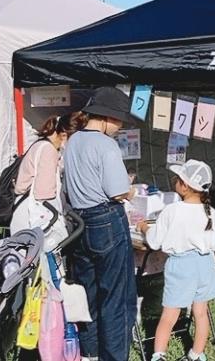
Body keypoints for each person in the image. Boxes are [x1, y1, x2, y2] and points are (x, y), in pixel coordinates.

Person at [63, 87, 137, 361]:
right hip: (107, 219)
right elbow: (117, 191)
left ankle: (89, 353)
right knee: (116, 297)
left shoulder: (72, 141)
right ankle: (114, 356)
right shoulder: (106, 145)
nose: (119, 127)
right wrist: (130, 189)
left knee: (89, 294)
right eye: (119, 120)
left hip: (80, 223)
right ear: (107, 118)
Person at [137, 159, 215, 361]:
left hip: (181, 266)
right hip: (205, 265)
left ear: (184, 186)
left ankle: (158, 355)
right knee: (201, 312)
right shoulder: (212, 212)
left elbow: (155, 242)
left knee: (169, 314)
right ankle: (197, 353)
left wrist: (144, 228)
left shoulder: (172, 210)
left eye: (178, 178)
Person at [11, 112, 85, 248]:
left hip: (23, 214)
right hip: (35, 219)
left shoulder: (40, 145)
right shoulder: (48, 151)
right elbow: (44, 194)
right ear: (64, 135)